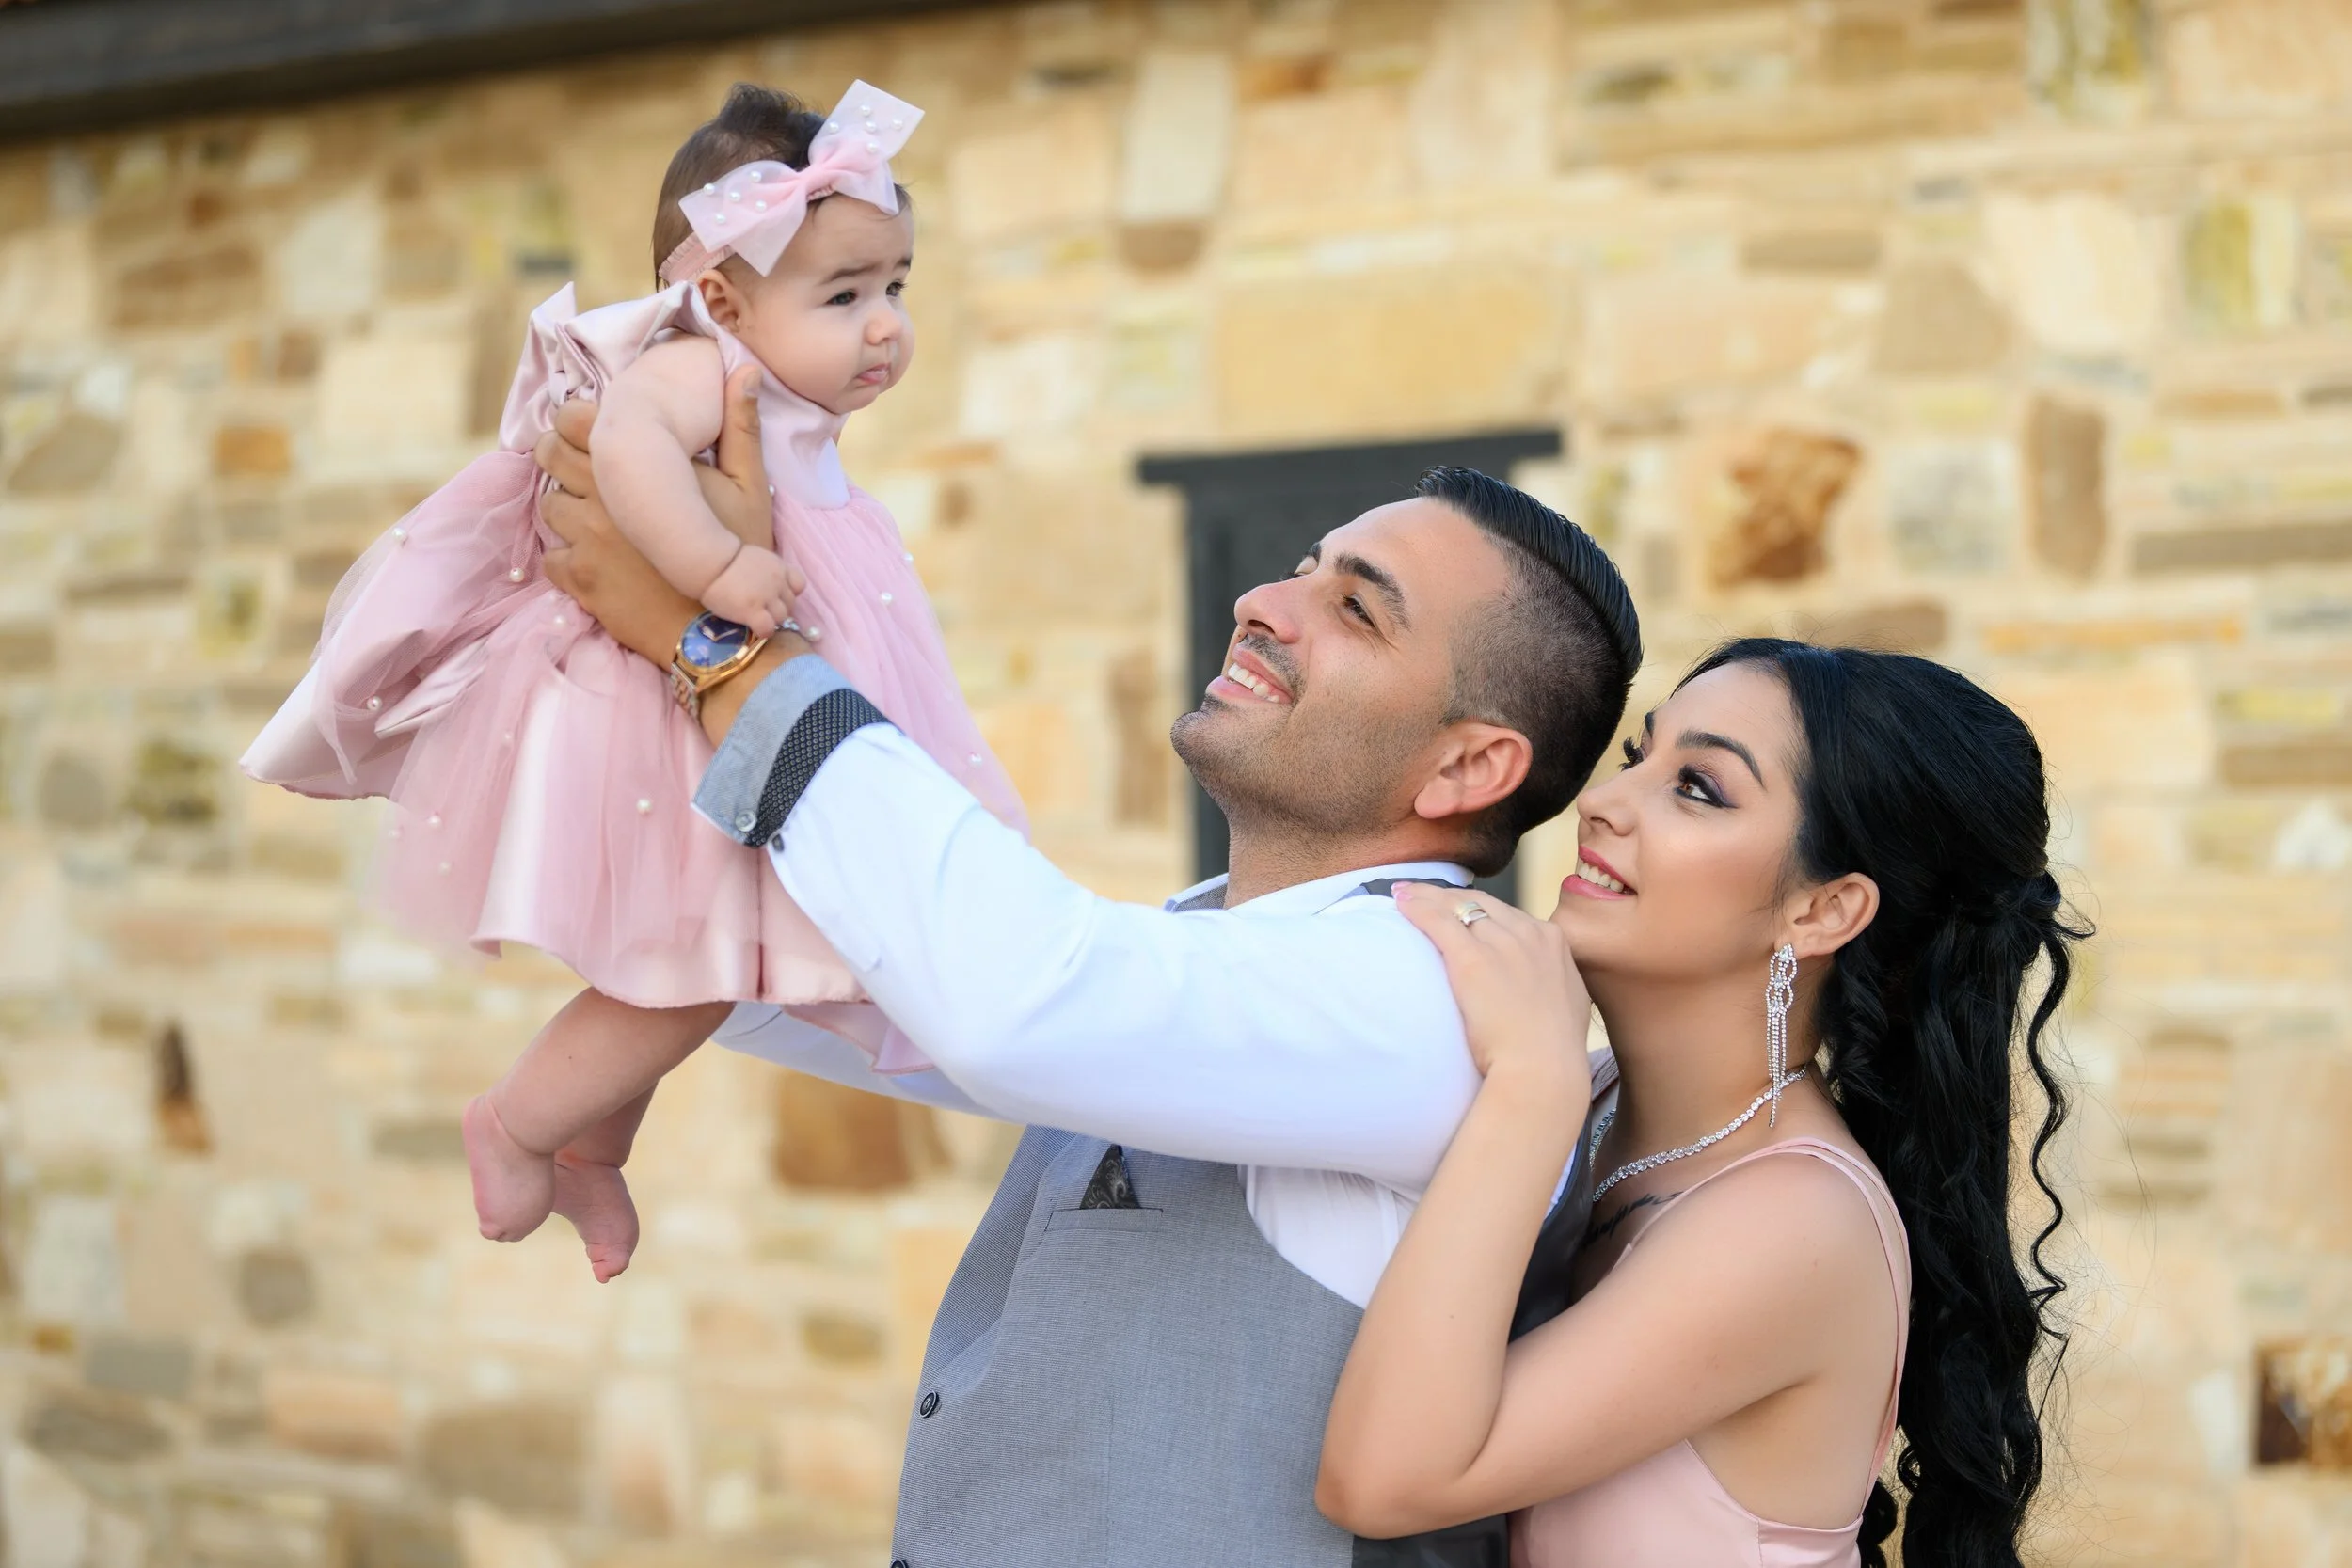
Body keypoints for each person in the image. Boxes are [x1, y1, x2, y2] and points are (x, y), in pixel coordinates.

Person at [532, 378, 1639, 1565]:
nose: (1261, 602)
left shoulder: (1424, 999)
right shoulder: (1215, 948)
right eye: (1303, 567)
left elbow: (1011, 998)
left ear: (1470, 766)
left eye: (1356, 610)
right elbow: (824, 982)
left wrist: (725, 648)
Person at [239, 83, 1024, 1282]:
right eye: (846, 295)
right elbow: (621, 446)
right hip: (662, 724)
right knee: (693, 968)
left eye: (896, 288)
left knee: (696, 961)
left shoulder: (776, 393)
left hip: (722, 714)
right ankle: (516, 1119)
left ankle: (590, 1150)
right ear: (719, 298)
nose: (885, 328)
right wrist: (718, 557)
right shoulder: (696, 368)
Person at [1316, 640, 2083, 1568]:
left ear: (1822, 911)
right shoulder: (1588, 1101)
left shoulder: (1793, 1219)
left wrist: (1529, 1081)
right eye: (1640, 757)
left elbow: (1381, 1478)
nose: (1601, 800)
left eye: (1699, 788)